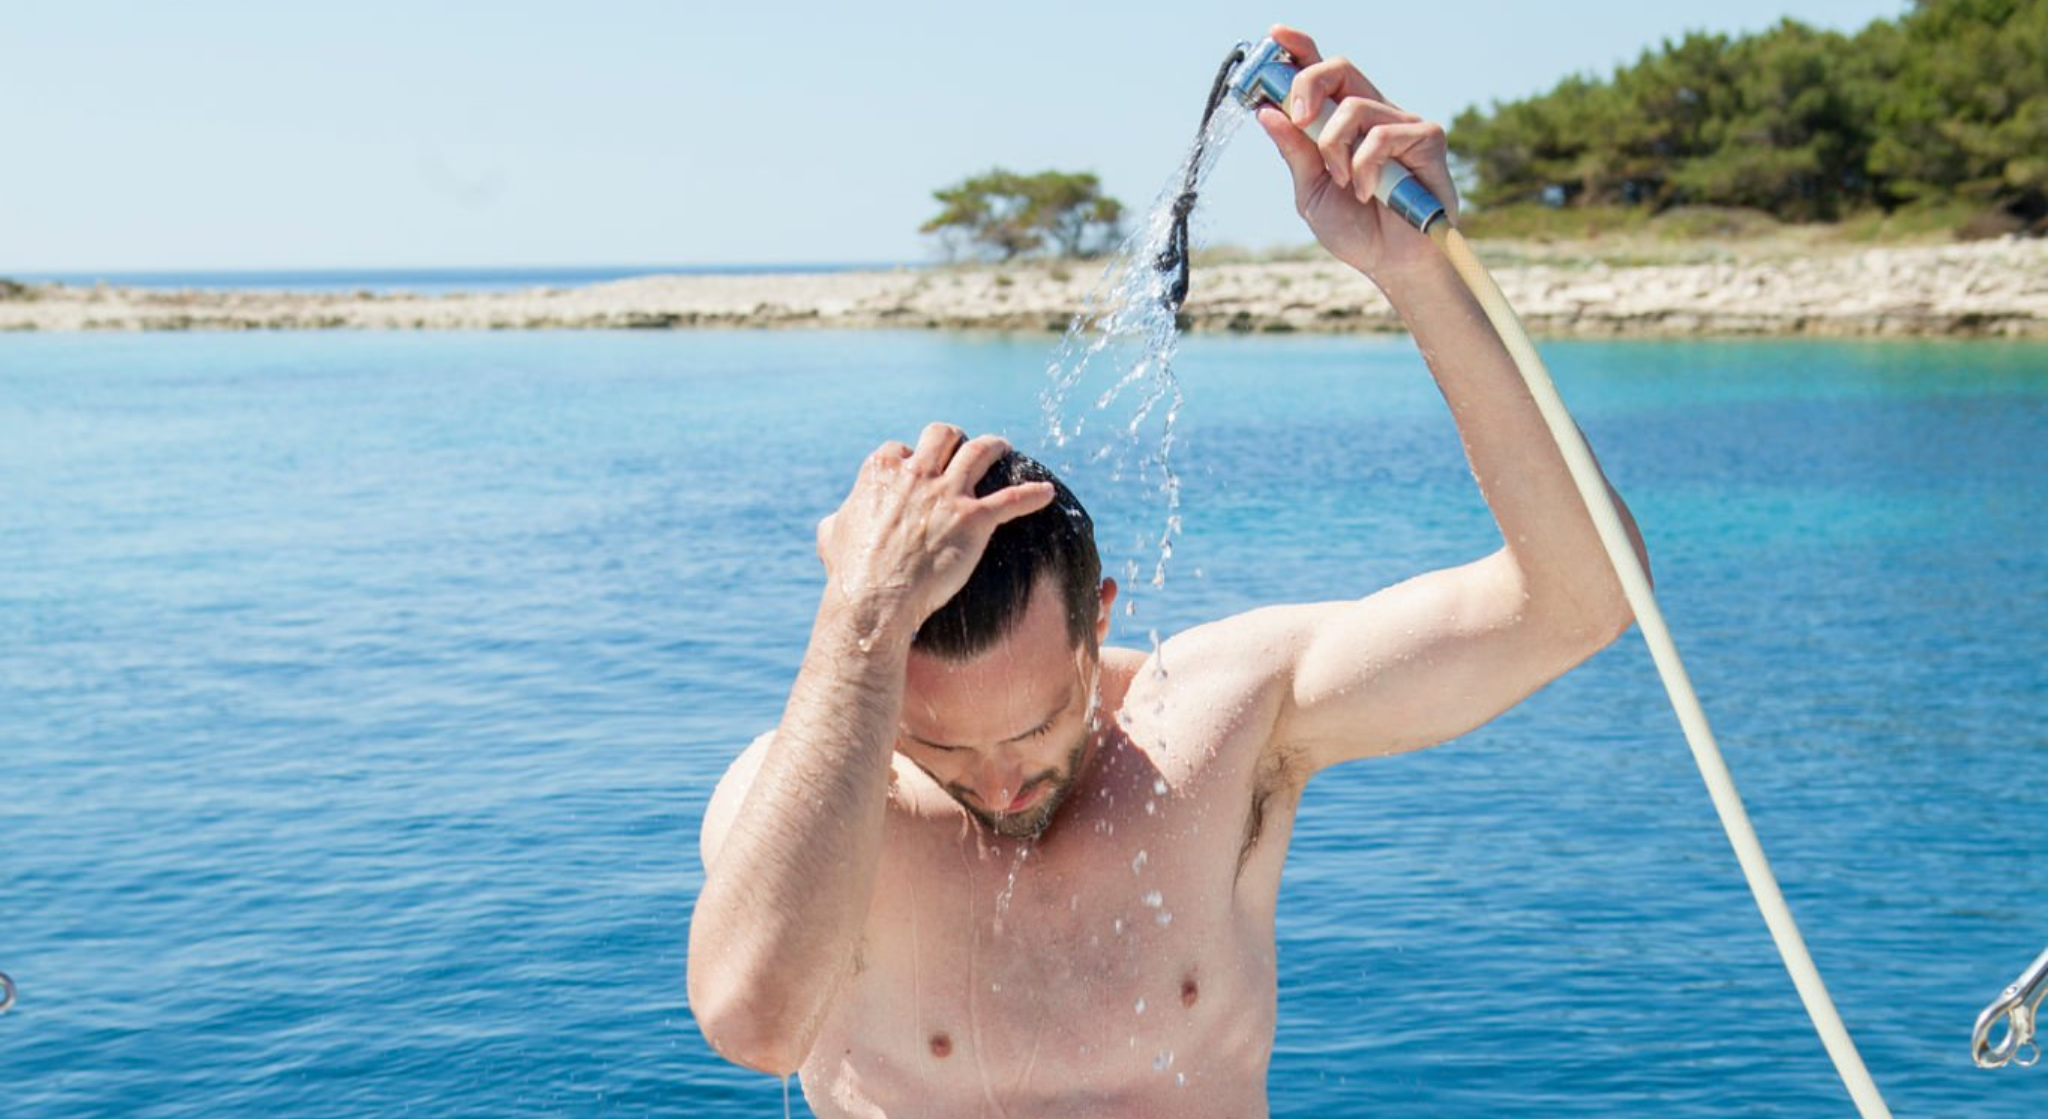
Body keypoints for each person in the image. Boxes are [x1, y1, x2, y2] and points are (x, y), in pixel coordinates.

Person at [688, 25, 1647, 1117]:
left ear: (1097, 624)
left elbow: (1579, 600)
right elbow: (753, 1024)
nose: (999, 786)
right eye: (940, 743)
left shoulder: (1217, 722)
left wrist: (1418, 276)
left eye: (1036, 726)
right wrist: (859, 616)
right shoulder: (809, 798)